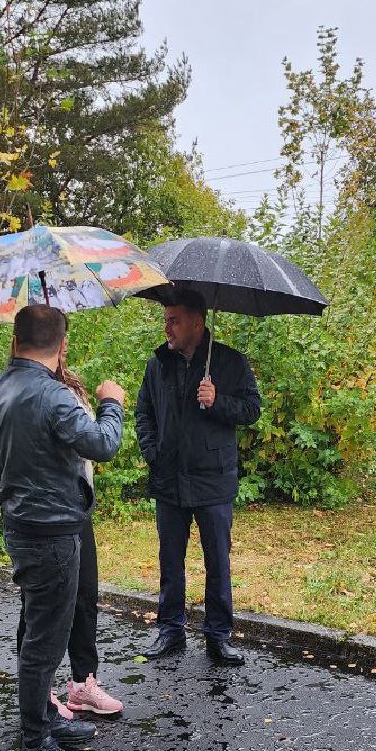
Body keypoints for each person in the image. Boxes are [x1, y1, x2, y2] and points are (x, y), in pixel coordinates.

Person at [0, 303, 126, 751]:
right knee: (45, 639)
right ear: (62, 346)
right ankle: (36, 741)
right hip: (54, 529)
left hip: (20, 523)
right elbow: (102, 444)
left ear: (17, 340)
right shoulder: (53, 396)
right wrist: (111, 402)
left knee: (39, 626)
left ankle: (44, 721)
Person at [135, 285, 262, 666]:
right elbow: (144, 413)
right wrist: (152, 453)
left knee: (217, 562)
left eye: (174, 321)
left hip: (213, 480)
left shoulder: (230, 362)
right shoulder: (158, 363)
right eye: (165, 321)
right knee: (170, 561)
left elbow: (252, 410)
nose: (167, 329)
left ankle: (218, 636)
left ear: (197, 322)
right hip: (169, 478)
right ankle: (170, 631)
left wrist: (217, 401)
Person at [14, 354, 125, 720]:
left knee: (83, 598)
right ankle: (40, 695)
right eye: (58, 342)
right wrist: (112, 403)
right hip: (45, 515)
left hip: (75, 510)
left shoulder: (68, 387)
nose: (62, 349)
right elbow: (99, 443)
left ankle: (81, 683)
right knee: (40, 607)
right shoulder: (28, 391)